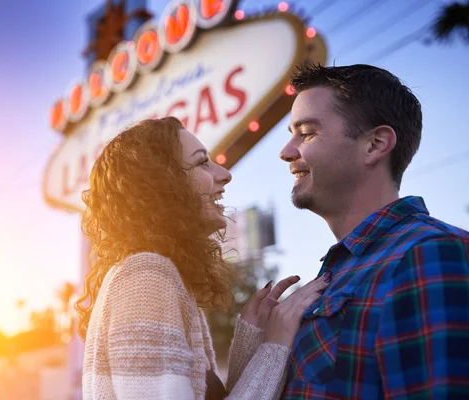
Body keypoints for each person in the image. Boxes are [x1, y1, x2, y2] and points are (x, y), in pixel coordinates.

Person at [77, 117, 330, 399]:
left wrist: (249, 339)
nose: (224, 173)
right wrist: (276, 343)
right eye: (201, 163)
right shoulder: (146, 277)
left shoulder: (154, 274)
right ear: (161, 183)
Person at [279, 63, 469, 399]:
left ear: (375, 144)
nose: (286, 152)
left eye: (306, 133)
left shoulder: (429, 252)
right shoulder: (345, 267)